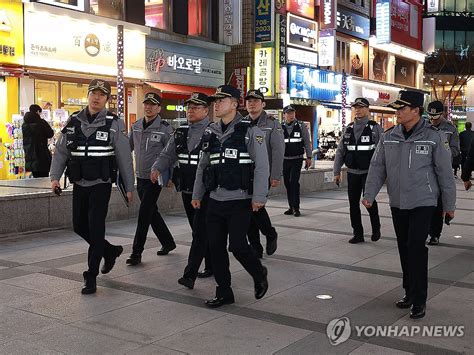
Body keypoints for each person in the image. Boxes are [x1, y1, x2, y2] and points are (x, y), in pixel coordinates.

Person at [362, 90, 456, 319]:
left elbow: (444, 174)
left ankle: (420, 298)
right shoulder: (389, 136)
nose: (398, 112)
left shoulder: (434, 137)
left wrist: (449, 204)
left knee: (416, 246)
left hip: (424, 201)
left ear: (416, 110)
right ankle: (409, 292)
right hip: (398, 202)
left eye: (402, 108)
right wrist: (370, 193)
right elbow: (377, 167)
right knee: (404, 248)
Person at [50, 79, 134, 294]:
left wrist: (129, 186)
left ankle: (91, 275)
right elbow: (61, 151)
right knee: (79, 226)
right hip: (80, 182)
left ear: (107, 99)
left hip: (101, 184)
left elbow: (124, 157)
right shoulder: (73, 121)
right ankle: (110, 250)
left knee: (96, 227)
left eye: (102, 94)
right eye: (93, 93)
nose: (96, 98)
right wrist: (55, 177)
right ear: (88, 95)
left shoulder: (114, 123)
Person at [191, 85, 269, 308]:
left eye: (221, 100)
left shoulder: (251, 131)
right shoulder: (211, 131)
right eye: (215, 101)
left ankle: (258, 273)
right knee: (215, 248)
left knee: (237, 245)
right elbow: (202, 166)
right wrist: (198, 193)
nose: (216, 104)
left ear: (235, 104)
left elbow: (262, 166)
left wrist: (260, 197)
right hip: (214, 200)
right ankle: (224, 292)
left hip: (240, 200)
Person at [150, 92, 213, 288]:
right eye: (189, 107)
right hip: (186, 188)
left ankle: (190, 274)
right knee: (198, 230)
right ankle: (211, 264)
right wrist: (157, 167)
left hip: (205, 191)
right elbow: (167, 153)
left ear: (206, 110)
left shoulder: (214, 131)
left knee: (200, 232)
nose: (190, 111)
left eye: (195, 107)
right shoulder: (181, 132)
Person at [125, 92, 176, 266]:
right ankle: (168, 242)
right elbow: (127, 148)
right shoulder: (137, 125)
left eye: (153, 105)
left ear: (159, 108)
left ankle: (136, 253)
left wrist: (171, 175)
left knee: (144, 214)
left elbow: (172, 153)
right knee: (151, 212)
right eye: (146, 104)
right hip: (140, 177)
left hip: (156, 178)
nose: (148, 107)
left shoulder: (164, 128)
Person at [333, 98, 383, 244]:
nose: (358, 110)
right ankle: (358, 233)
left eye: (361, 107)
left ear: (368, 109)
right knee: (353, 205)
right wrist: (336, 172)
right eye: (356, 107)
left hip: (369, 173)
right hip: (352, 173)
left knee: (369, 201)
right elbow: (340, 151)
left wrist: (383, 173)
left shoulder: (375, 128)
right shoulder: (348, 128)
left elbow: (382, 151)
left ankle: (376, 227)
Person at [245, 89, 284, 258]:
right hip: (245, 173)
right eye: (249, 101)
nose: (252, 104)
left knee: (257, 207)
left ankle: (270, 233)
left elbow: (278, 151)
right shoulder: (242, 123)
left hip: (263, 173)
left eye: (255, 101)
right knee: (247, 211)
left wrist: (275, 175)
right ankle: (255, 247)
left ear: (263, 104)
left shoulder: (272, 123)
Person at [426, 100, 460, 246]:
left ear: (443, 114)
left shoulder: (450, 129)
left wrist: (442, 155)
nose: (433, 119)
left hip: (441, 170)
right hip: (426, 171)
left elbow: (455, 149)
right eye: (431, 116)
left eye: (436, 116)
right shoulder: (424, 127)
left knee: (438, 205)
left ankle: (435, 234)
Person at [282, 105, 312, 217]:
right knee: (287, 183)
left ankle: (296, 208)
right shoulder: (280, 127)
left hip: (297, 159)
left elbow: (307, 142)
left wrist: (309, 157)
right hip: (285, 160)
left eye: (292, 113)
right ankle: (290, 206)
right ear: (284, 114)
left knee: (294, 182)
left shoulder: (301, 126)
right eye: (288, 113)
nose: (291, 115)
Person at [22, 104, 54, 178]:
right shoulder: (41, 122)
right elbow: (50, 134)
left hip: (30, 154)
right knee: (43, 178)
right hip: (41, 154)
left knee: (35, 177)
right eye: (40, 112)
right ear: (37, 112)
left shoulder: (24, 124)